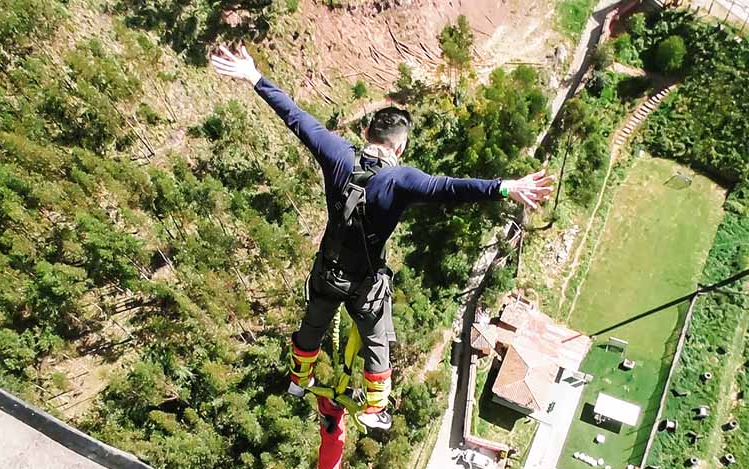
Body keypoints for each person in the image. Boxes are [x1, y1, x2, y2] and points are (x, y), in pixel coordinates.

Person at [210, 45, 554, 430]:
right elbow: (450, 188)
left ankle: (298, 379)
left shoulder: (338, 154)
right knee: (376, 338)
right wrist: (505, 187)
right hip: (364, 285)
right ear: (401, 147)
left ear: (365, 132)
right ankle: (374, 408)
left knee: (313, 324)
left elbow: (297, 118)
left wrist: (254, 76)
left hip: (327, 273)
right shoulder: (401, 180)